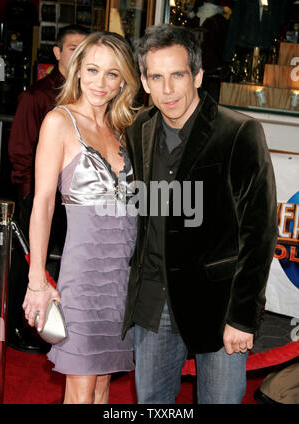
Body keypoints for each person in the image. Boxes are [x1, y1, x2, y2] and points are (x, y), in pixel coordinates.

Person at [122, 24, 278, 404]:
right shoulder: (139, 128)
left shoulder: (238, 132)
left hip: (218, 305)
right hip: (155, 301)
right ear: (144, 81)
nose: (168, 89)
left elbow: (259, 233)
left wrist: (242, 316)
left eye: (177, 75)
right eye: (156, 77)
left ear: (198, 75)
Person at [22, 31, 139, 404]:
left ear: (124, 80)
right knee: (82, 384)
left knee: (104, 382)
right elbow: (42, 203)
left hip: (124, 277)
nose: (100, 83)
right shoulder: (59, 121)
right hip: (84, 277)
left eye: (111, 74)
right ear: (76, 71)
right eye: (92, 70)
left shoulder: (126, 127)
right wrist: (37, 280)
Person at [7, 24, 89, 353]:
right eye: (72, 48)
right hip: (41, 199)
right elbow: (19, 152)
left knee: (65, 265)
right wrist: (31, 199)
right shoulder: (37, 95)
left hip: (76, 201)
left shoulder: (90, 94)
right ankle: (23, 330)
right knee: (32, 264)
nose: (79, 55)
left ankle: (60, 329)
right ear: (57, 53)